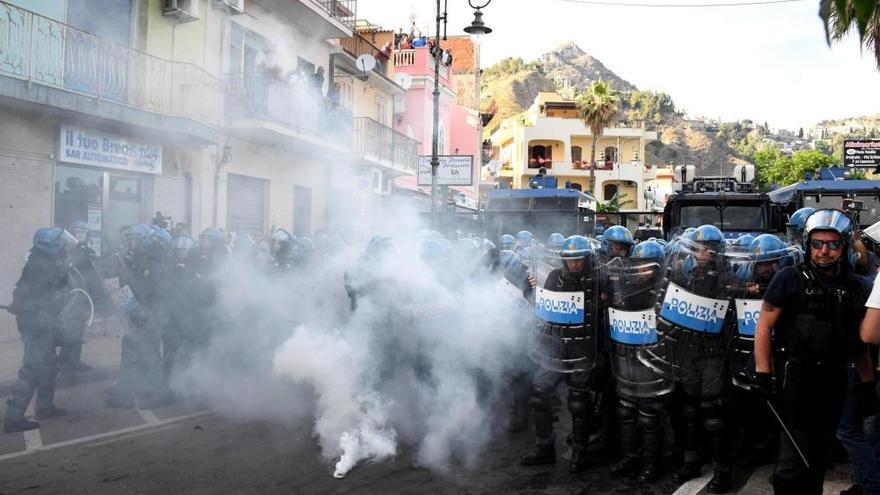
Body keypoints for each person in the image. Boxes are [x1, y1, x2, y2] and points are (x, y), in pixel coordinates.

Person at [754, 209, 874, 494]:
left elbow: (858, 342)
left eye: (833, 245)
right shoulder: (789, 278)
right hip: (794, 377)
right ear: (807, 244)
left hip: (834, 379)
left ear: (844, 246)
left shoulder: (855, 286)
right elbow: (764, 325)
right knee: (793, 459)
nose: (824, 251)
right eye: (817, 244)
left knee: (820, 456)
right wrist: (763, 372)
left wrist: (868, 384)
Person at [647, 224, 733, 493]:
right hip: (689, 350)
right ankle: (691, 460)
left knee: (713, 411)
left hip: (713, 351)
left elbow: (729, 313)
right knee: (689, 409)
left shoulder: (727, 278)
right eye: (699, 247)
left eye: (708, 247)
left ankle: (723, 469)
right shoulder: (686, 275)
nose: (703, 252)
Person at [520, 235, 598, 473]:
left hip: (583, 349)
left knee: (578, 402)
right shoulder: (556, 277)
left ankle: (579, 452)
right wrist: (529, 289)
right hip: (558, 347)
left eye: (578, 260)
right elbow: (543, 308)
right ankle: (545, 448)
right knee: (539, 391)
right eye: (569, 260)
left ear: (587, 259)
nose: (573, 265)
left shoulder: (596, 280)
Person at [606, 240, 673, 482]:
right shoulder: (624, 289)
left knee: (649, 413)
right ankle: (630, 457)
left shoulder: (666, 292)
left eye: (648, 266)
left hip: (652, 360)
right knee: (625, 409)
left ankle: (652, 462)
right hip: (626, 356)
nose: (642, 270)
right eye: (638, 265)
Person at [4, 227, 78, 432]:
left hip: (41, 323)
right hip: (38, 326)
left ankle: (45, 407)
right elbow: (49, 296)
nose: (64, 246)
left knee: (48, 366)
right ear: (51, 244)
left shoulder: (39, 262)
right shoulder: (45, 265)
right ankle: (13, 417)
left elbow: (22, 293)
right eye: (61, 243)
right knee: (31, 369)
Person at [105, 224, 172, 409]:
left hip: (149, 316)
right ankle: (126, 393)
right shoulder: (139, 258)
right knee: (131, 353)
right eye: (130, 239)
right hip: (138, 315)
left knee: (149, 355)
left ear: (145, 241)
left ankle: (158, 393)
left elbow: (149, 290)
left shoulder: (152, 262)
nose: (131, 243)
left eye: (136, 240)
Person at [60, 220, 101, 374]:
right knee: (70, 329)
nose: (80, 235)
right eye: (77, 232)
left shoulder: (88, 251)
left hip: (84, 294)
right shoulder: (66, 250)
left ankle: (73, 360)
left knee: (77, 330)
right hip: (70, 295)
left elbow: (93, 271)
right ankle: (66, 361)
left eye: (83, 233)